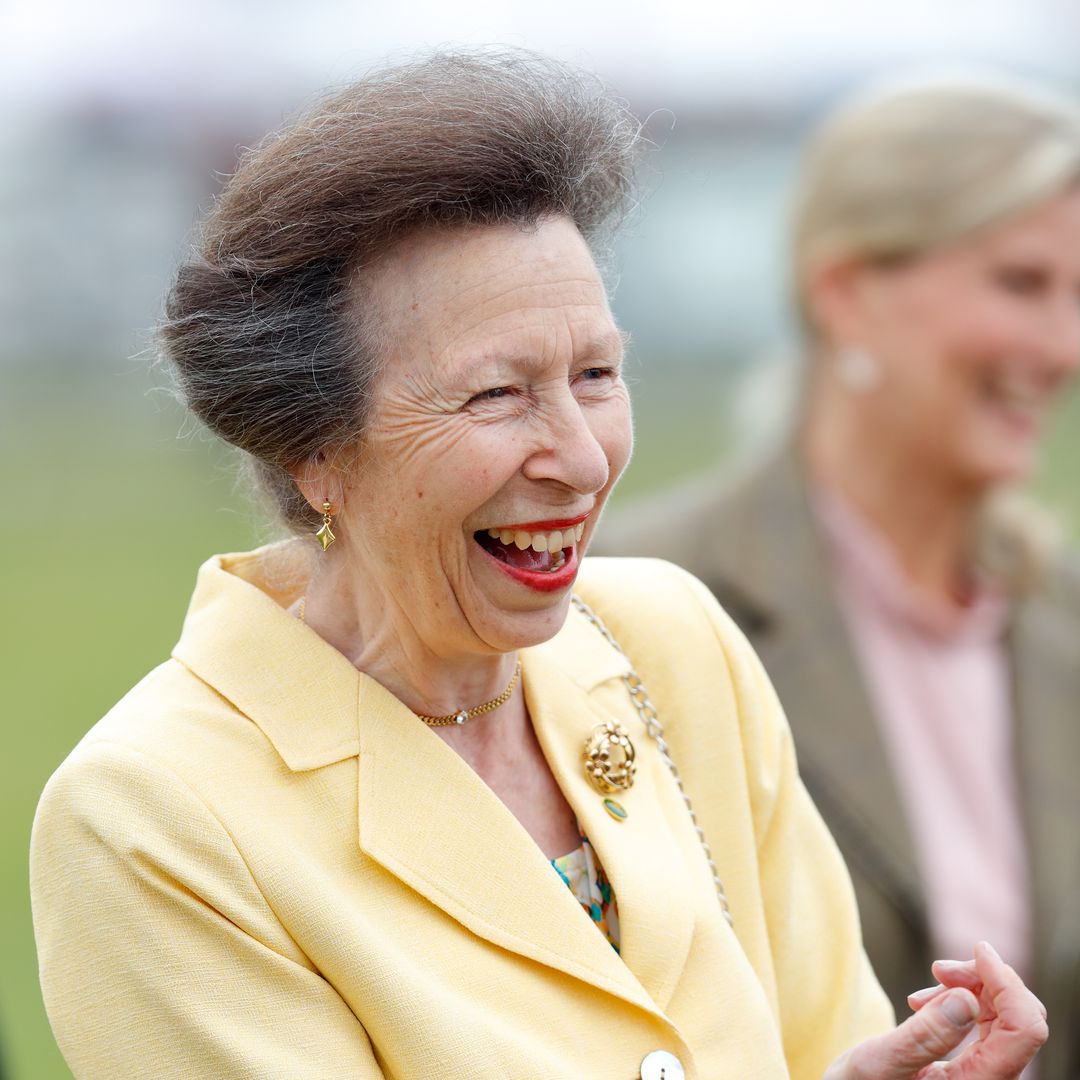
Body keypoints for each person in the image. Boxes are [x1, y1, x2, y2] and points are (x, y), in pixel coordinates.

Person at [30, 53, 1047, 1080]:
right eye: (497, 395)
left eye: (597, 374)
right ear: (315, 451)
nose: (582, 456)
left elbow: (826, 1034)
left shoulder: (673, 642)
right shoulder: (152, 816)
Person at [600, 71, 1080, 1076]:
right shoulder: (628, 600)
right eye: (1023, 285)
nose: (1065, 345)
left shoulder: (1062, 617)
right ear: (847, 294)